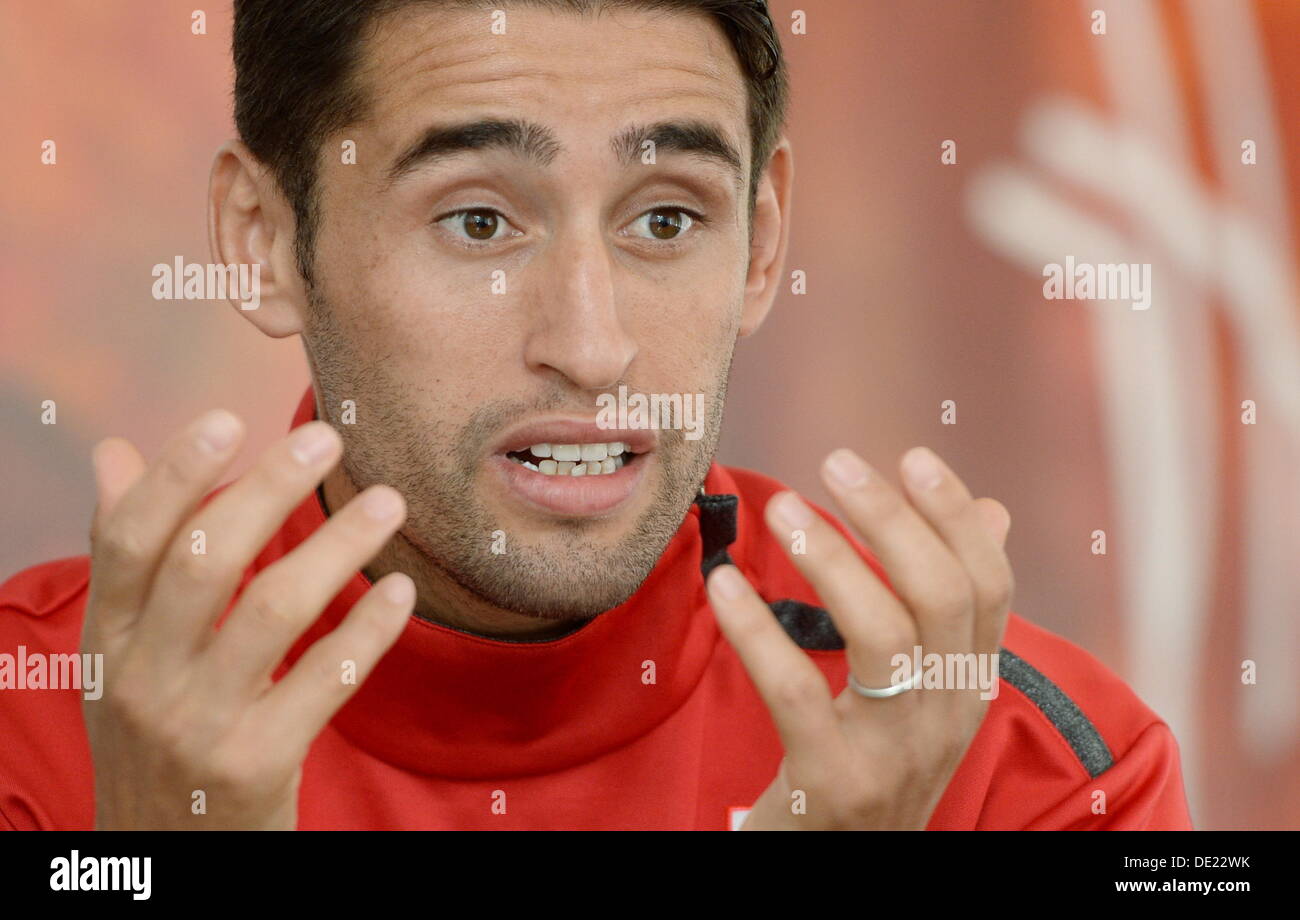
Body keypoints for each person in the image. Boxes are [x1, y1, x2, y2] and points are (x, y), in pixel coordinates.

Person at [0, 0, 1192, 830]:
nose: (590, 344)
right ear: (264, 241)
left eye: (665, 219)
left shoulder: (1036, 761)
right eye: (478, 220)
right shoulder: (34, 715)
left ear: (762, 243)